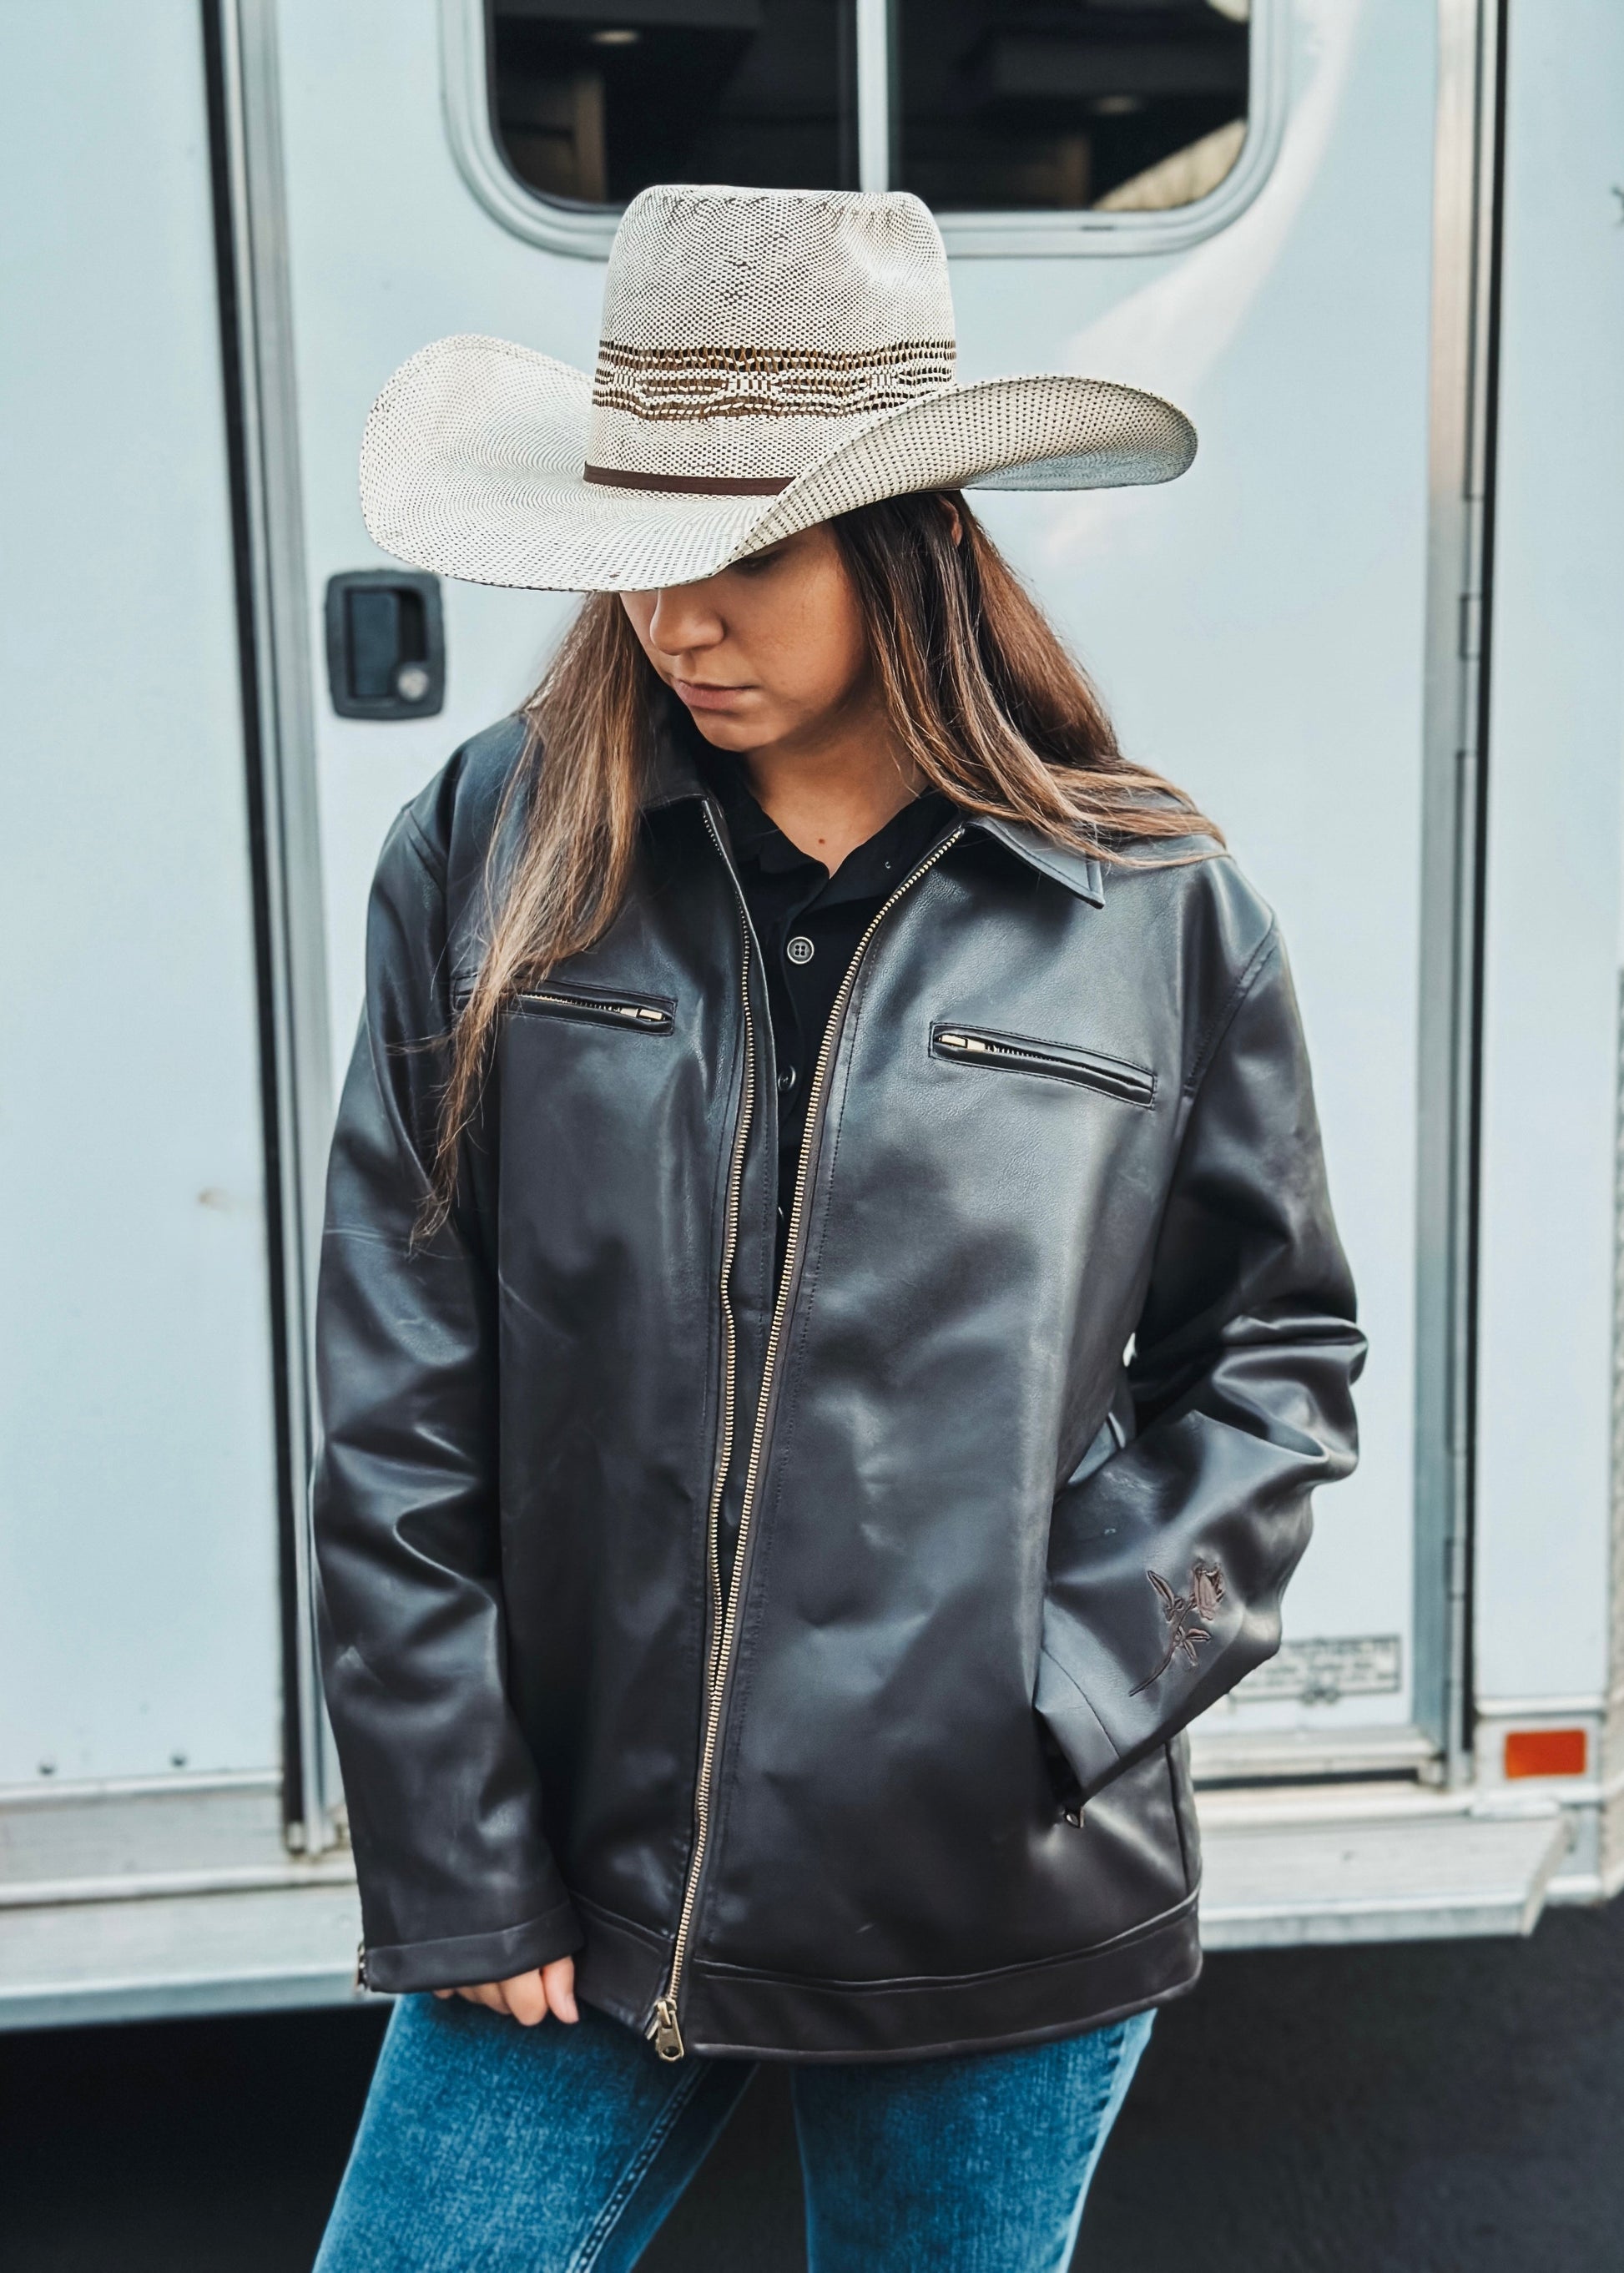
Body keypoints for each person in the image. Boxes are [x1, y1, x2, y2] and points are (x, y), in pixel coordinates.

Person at [312, 184, 1364, 2271]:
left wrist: (1056, 1692)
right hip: (579, 1875)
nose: (670, 621)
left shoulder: (1147, 910)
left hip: (992, 1891)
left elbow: (1271, 1370)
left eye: (743, 555)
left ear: (903, 543)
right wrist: (452, 1835)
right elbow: (400, 1365)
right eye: (639, 555)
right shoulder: (495, 844)